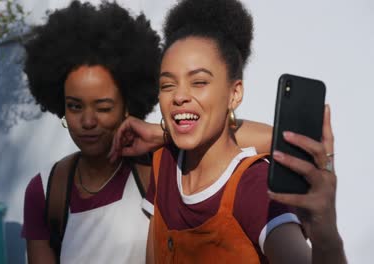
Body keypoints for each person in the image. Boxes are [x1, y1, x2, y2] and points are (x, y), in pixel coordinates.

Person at [21, 1, 273, 263]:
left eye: (103, 107)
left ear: (127, 105)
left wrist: (163, 134)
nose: (87, 121)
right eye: (74, 106)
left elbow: (266, 140)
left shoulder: (158, 165)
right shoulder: (47, 189)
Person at [109, 0, 347, 263]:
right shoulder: (163, 162)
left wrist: (326, 235)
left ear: (235, 94)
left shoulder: (255, 186)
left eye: (199, 82)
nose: (179, 96)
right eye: (167, 85)